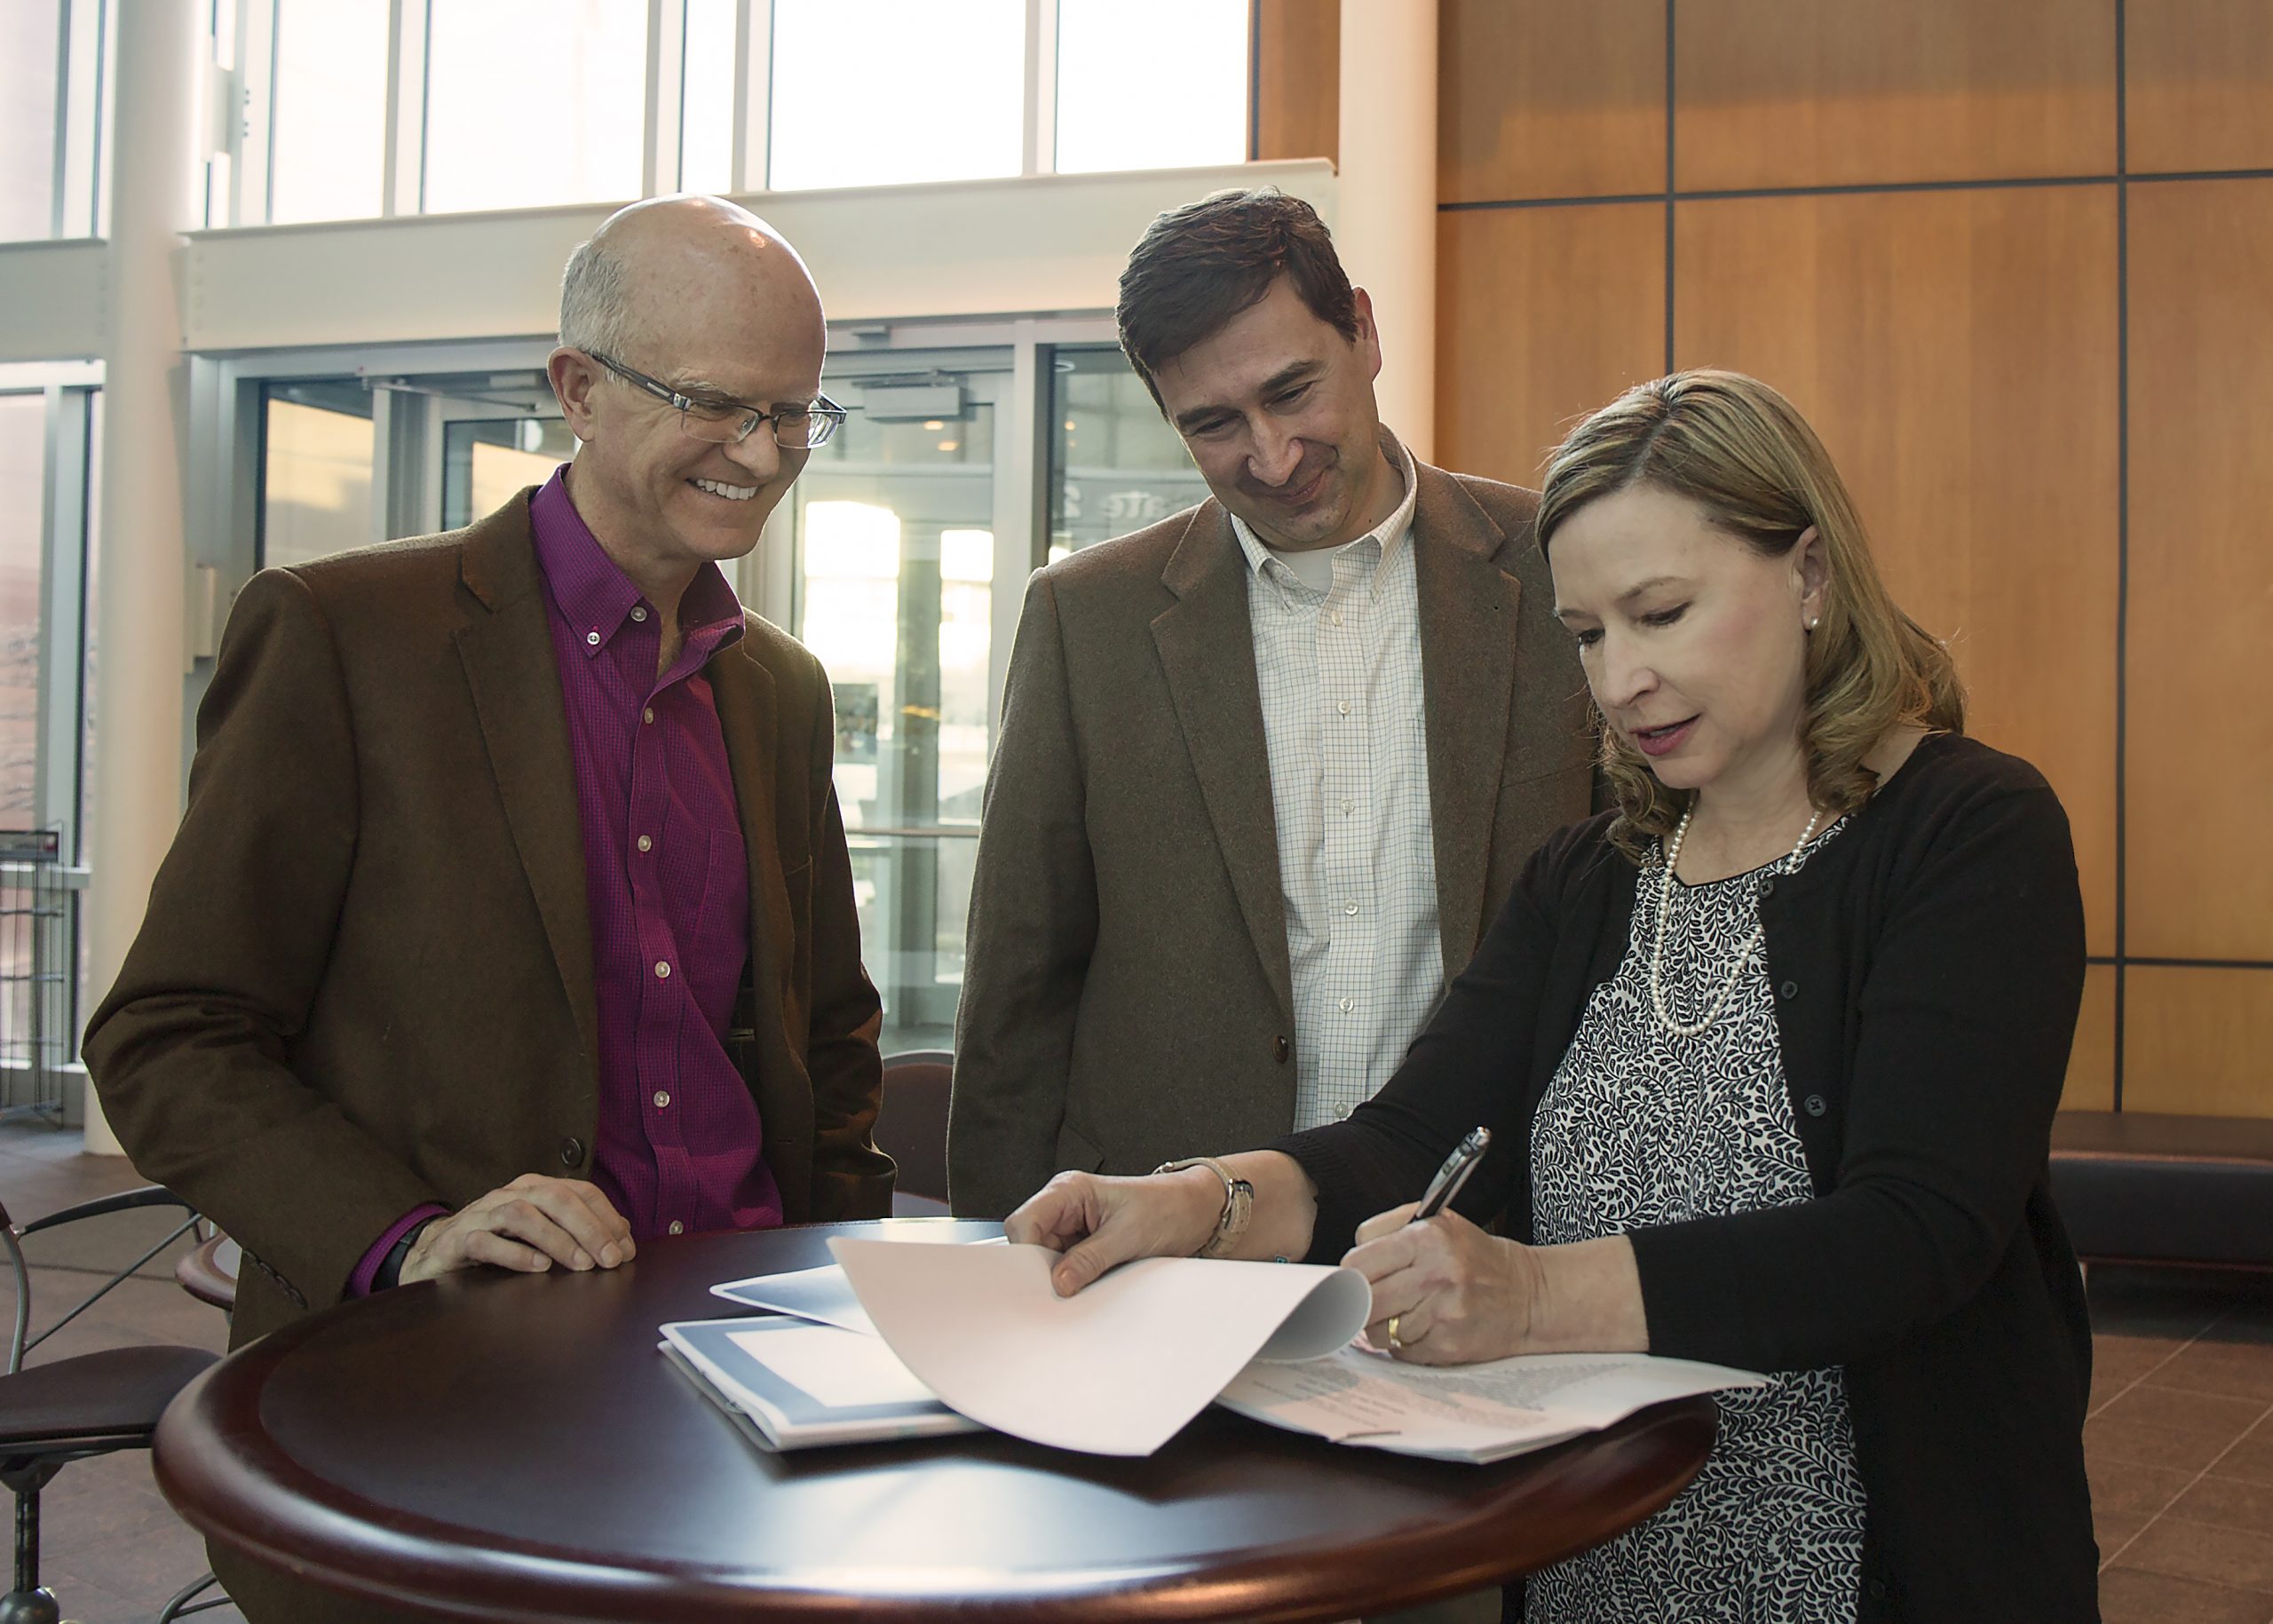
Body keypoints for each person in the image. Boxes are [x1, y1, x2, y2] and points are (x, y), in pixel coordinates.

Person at [1007, 371, 2099, 1622]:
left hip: (1872, 1563)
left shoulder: (1966, 831)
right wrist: (1200, 1203)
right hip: (1603, 1551)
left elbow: (1914, 1231)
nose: (1622, 680)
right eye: (1588, 634)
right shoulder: (1591, 873)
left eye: (1663, 613)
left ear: (1809, 576)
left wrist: (1528, 1296)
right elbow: (1411, 1143)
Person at [87, 194, 891, 1338]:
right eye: (713, 404)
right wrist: (406, 1237)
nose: (762, 454)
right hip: (431, 1357)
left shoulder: (782, 687)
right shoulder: (342, 635)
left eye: (793, 412)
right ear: (578, 388)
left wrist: (843, 1277)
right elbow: (168, 1035)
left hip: (745, 1334)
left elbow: (827, 1033)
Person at [948, 187, 1593, 1220]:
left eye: (1293, 391)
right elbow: (1017, 988)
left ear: (1365, 333)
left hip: (1483, 1224)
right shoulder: (1087, 616)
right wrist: (997, 1263)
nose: (1273, 455)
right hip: (1159, 1241)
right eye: (1213, 424)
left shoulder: (1561, 569)